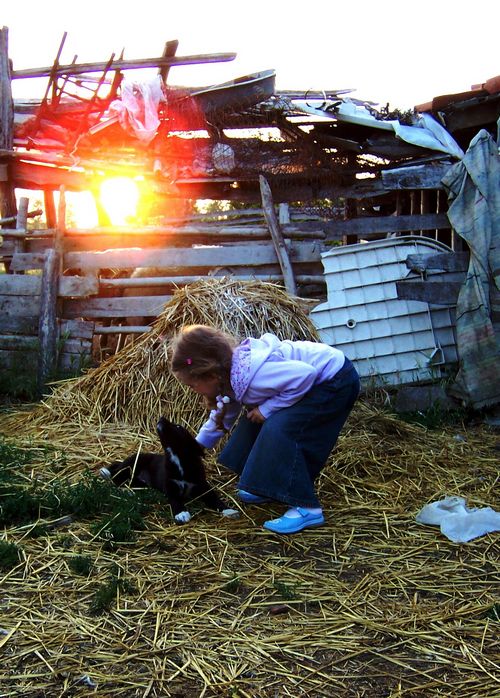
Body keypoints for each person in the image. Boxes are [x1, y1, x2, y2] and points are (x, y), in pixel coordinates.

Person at [169, 325, 360, 534]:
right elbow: (222, 417)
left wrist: (267, 409)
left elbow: (306, 374)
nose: (194, 391)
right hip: (313, 381)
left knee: (280, 428)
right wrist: (194, 449)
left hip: (334, 380)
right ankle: (267, 485)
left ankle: (307, 508)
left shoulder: (254, 377)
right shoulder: (229, 380)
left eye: (192, 385)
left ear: (210, 375)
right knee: (253, 422)